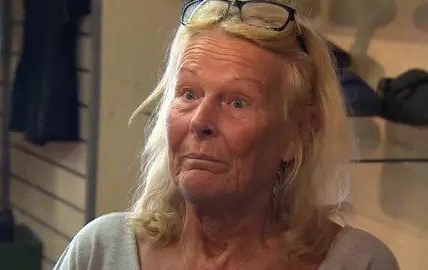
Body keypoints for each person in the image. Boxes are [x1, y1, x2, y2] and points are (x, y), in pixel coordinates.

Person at [54, 1, 399, 269]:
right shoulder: (100, 251)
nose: (200, 121)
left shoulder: (358, 263)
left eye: (237, 101)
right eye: (188, 94)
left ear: (298, 133)